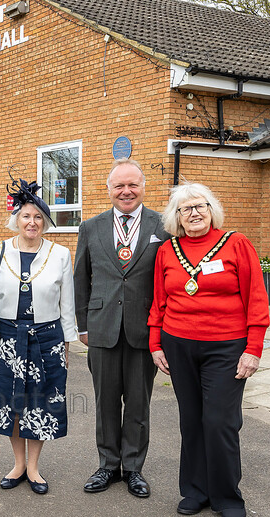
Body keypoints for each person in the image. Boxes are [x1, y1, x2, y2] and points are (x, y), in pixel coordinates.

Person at [148, 182, 269, 517]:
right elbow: (159, 301)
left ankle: (226, 495)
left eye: (200, 206)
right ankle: (196, 491)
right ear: (176, 217)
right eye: (186, 209)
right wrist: (155, 344)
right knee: (192, 421)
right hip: (178, 344)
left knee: (220, 422)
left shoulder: (236, 243)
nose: (194, 213)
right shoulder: (167, 251)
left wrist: (253, 348)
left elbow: (256, 297)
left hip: (226, 347)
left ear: (212, 210)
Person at [74, 158, 169, 498]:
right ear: (109, 190)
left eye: (133, 185)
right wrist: (82, 324)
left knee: (139, 402)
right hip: (101, 328)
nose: (126, 191)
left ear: (143, 187)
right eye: (119, 186)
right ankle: (107, 466)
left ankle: (133, 469)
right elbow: (81, 279)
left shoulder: (163, 225)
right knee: (106, 402)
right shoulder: (91, 227)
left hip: (145, 329)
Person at [0, 179, 78, 495]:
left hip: (46, 341)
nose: (32, 222)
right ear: (16, 219)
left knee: (40, 405)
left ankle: (34, 468)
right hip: (8, 338)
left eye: (38, 217)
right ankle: (18, 464)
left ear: (45, 222)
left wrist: (66, 345)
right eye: (26, 216)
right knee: (11, 404)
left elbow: (67, 302)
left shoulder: (60, 253)